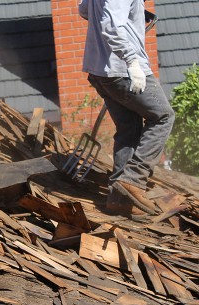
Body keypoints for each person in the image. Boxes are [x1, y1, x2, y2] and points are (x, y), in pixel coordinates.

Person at [78, 0, 175, 220]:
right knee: (163, 116)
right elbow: (111, 25)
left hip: (101, 71)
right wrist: (132, 60)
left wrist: (133, 13)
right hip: (123, 69)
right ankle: (133, 179)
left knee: (129, 128)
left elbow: (85, 10)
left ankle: (118, 199)